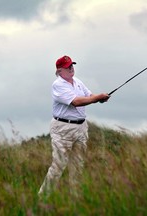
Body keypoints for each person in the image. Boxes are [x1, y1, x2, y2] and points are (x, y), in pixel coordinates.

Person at [38, 55, 110, 198]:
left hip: (81, 128)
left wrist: (100, 98)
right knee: (59, 165)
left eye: (72, 65)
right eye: (67, 66)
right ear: (59, 71)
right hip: (63, 128)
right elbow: (76, 102)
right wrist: (97, 98)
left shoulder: (77, 82)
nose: (71, 68)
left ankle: (75, 199)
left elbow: (89, 96)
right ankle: (42, 198)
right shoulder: (58, 85)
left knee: (78, 166)